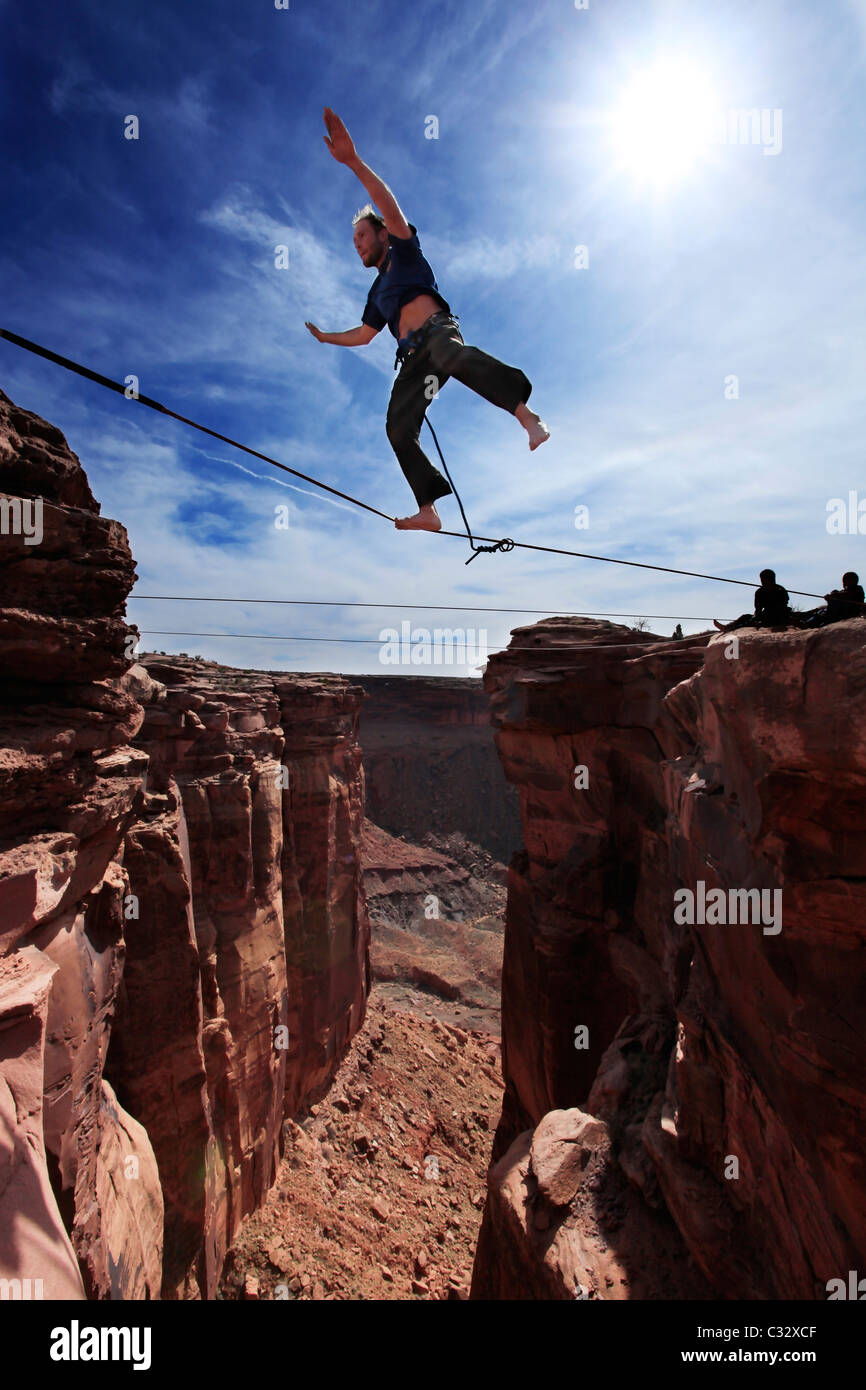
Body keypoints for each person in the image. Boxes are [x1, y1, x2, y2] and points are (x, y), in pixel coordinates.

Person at [305, 108, 550, 533]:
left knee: (450, 355)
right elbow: (364, 335)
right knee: (397, 426)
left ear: (382, 234)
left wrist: (352, 163)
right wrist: (326, 338)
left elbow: (386, 204)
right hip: (417, 365)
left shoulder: (404, 250)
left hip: (438, 336)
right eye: (354, 241)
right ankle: (429, 509)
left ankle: (526, 415)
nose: (357, 245)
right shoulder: (376, 294)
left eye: (362, 236)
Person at [713, 569, 793, 632]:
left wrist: (758, 617)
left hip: (777, 616)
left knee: (747, 622)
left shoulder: (779, 590)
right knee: (746, 616)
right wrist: (756, 616)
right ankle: (728, 627)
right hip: (767, 615)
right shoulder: (761, 591)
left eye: (763, 579)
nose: (762, 581)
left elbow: (783, 605)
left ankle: (731, 627)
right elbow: (758, 609)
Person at [800, 571, 866, 627]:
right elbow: (839, 595)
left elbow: (846, 595)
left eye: (845, 580)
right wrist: (831, 597)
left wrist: (833, 595)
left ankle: (809, 623)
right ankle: (803, 616)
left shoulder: (858, 589)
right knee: (820, 609)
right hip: (841, 612)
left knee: (825, 611)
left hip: (848, 613)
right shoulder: (843, 591)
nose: (844, 582)